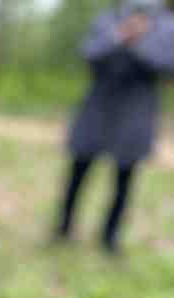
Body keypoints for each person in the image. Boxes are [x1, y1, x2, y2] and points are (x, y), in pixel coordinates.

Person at [55, 0, 174, 254]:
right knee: (78, 171)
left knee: (124, 179)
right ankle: (62, 228)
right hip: (98, 106)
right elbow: (88, 53)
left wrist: (139, 40)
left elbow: (166, 64)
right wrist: (120, 35)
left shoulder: (166, 25)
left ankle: (109, 238)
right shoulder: (109, 18)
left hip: (136, 112)